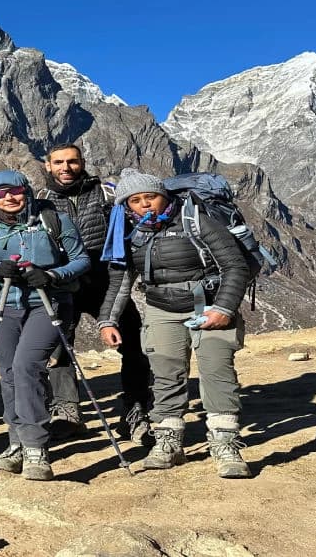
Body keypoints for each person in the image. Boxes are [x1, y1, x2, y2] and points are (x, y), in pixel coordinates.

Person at [96, 169, 252, 478]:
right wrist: (107, 320)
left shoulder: (195, 220)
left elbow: (235, 265)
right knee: (166, 374)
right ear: (127, 206)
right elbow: (121, 282)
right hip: (161, 309)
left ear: (163, 196)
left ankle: (225, 444)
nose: (145, 205)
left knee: (216, 373)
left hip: (209, 305)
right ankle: (168, 441)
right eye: (136, 200)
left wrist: (224, 308)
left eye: (150, 197)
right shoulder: (130, 234)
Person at [0, 170, 90, 481]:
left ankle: (36, 447)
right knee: (7, 374)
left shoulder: (53, 219)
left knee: (27, 367)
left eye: (15, 191)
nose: (8, 198)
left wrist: (51, 276)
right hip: (0, 304)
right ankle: (16, 441)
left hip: (46, 302)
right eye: (0, 193)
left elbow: (80, 259)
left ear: (27, 190)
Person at [38, 144, 153, 443]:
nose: (66, 167)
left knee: (131, 341)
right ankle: (67, 413)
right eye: (59, 162)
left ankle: (135, 409)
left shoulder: (107, 194)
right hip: (61, 283)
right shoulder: (40, 201)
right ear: (47, 166)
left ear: (82, 163)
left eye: (72, 162)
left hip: (107, 280)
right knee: (59, 348)